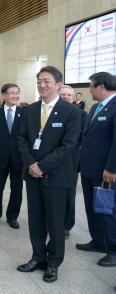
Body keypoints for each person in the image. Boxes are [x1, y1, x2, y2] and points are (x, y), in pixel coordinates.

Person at [17, 66, 81, 283]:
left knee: (55, 222)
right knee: (35, 219)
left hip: (56, 175)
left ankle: (53, 263)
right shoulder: (31, 109)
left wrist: (42, 166)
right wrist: (31, 164)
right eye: (39, 81)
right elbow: (23, 139)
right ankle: (38, 257)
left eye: (46, 81)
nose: (42, 85)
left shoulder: (71, 112)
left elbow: (68, 146)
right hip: (33, 175)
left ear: (58, 84)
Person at [76, 72, 116, 267]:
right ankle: (98, 241)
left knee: (107, 210)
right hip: (89, 168)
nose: (89, 90)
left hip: (106, 171)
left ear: (101, 87)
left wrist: (111, 168)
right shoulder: (96, 107)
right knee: (92, 207)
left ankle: (113, 249)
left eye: (91, 86)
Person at [0, 84, 24, 229]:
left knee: (16, 189)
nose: (15, 96)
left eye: (17, 93)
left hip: (18, 158)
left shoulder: (24, 113)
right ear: (4, 95)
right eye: (12, 93)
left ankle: (12, 216)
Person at [59, 85, 87, 239]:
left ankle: (66, 226)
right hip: (52, 160)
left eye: (69, 95)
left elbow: (80, 135)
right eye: (63, 94)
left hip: (71, 159)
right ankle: (52, 222)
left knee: (69, 193)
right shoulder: (51, 113)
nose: (66, 97)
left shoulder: (81, 114)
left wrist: (63, 150)